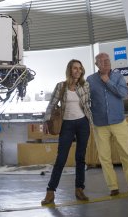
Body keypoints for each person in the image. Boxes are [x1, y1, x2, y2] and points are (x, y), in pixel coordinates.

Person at [87, 52, 128, 196]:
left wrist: (108, 81)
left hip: (118, 122)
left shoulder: (118, 77)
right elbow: (86, 99)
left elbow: (123, 94)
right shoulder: (90, 79)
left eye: (107, 60)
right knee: (104, 158)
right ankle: (113, 187)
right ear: (96, 64)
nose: (105, 62)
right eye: (102, 61)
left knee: (127, 154)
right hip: (100, 124)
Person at [41, 59, 93, 206]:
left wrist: (92, 121)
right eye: (75, 68)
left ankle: (79, 189)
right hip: (67, 125)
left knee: (80, 158)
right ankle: (50, 192)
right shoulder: (61, 86)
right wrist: (46, 120)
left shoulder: (85, 85)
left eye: (80, 68)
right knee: (61, 159)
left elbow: (88, 104)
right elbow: (51, 104)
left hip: (83, 123)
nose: (78, 71)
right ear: (70, 70)